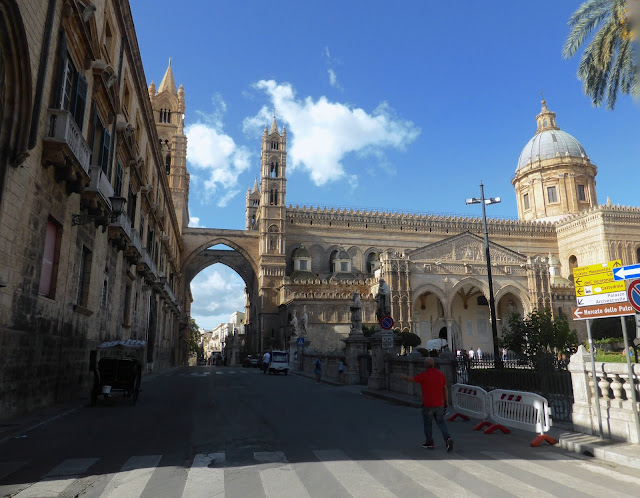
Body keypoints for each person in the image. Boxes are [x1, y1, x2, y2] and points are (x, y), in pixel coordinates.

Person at [401, 357, 453, 452]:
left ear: (425, 365)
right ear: (433, 365)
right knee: (441, 423)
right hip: (439, 404)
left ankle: (430, 442)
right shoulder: (440, 374)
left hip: (428, 404)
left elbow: (412, 379)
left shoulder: (424, 375)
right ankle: (447, 438)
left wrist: (404, 377)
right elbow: (445, 388)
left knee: (428, 424)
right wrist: (447, 401)